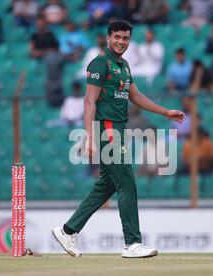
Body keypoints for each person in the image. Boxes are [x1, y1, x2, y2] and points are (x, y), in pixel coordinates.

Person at [51, 20, 185, 258]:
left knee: (108, 184)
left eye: (126, 38)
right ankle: (132, 243)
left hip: (120, 128)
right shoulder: (100, 64)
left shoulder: (123, 66)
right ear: (108, 37)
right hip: (108, 129)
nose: (121, 42)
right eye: (118, 37)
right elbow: (89, 101)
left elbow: (136, 96)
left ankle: (67, 230)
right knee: (127, 183)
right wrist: (90, 137)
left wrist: (165, 112)